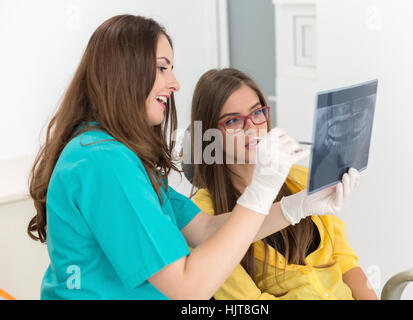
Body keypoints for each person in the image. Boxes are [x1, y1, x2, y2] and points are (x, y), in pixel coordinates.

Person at [27, 15, 356, 300]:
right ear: (124, 74)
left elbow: (207, 231)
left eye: (257, 113)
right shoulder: (103, 162)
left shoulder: (122, 157)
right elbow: (188, 288)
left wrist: (297, 207)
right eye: (161, 68)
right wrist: (262, 188)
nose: (175, 83)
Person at [188, 68, 378, 300]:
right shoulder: (201, 217)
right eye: (233, 120)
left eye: (257, 113)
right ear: (209, 133)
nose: (251, 128)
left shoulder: (299, 178)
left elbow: (345, 260)